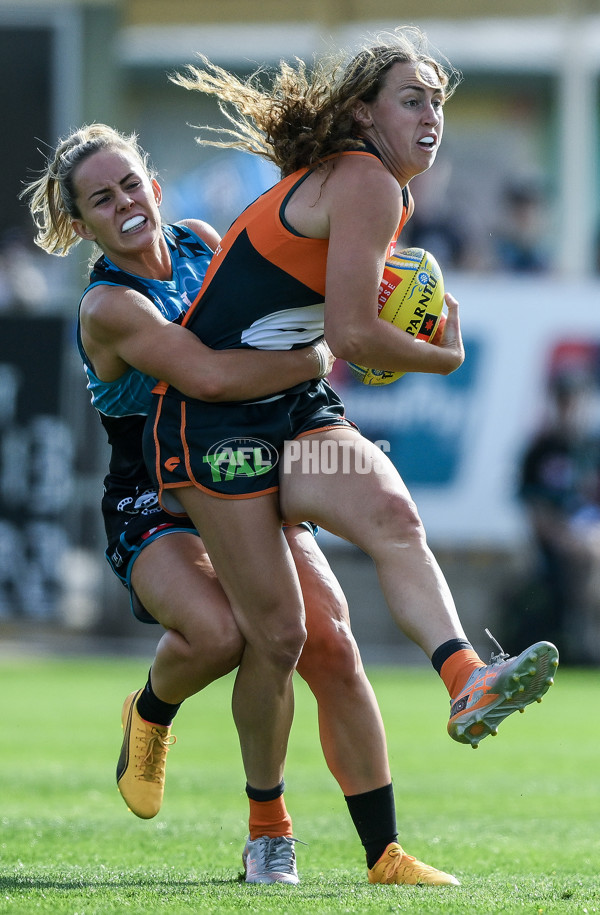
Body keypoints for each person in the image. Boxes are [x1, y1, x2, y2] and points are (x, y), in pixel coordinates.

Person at [142, 24, 560, 877]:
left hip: (290, 409)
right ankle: (267, 833)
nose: (431, 113)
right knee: (286, 635)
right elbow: (352, 333)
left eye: (439, 100)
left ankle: (463, 682)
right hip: (212, 427)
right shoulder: (366, 180)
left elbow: (343, 342)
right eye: (413, 98)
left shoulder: (381, 192)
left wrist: (382, 347)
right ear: (364, 112)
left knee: (393, 517)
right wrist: (441, 354)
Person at [23, 123, 462, 888]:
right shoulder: (108, 306)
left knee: (327, 641)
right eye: (101, 198)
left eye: (130, 183)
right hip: (155, 490)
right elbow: (211, 378)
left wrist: (365, 286)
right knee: (223, 635)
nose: (124, 202)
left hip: (241, 458)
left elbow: (275, 303)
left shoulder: (199, 239)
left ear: (154, 186)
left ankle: (384, 853)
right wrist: (324, 350)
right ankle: (155, 713)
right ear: (82, 224)